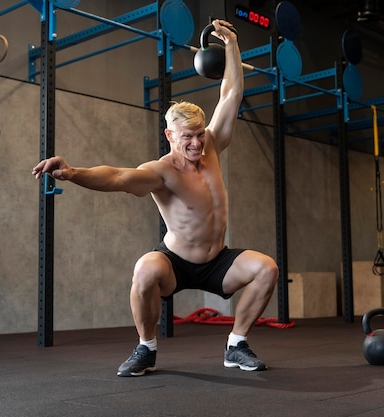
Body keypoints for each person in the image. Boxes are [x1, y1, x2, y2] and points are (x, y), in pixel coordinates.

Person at [32, 19, 278, 377]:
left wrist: (232, 46)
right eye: (186, 137)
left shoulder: (212, 146)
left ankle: (236, 345)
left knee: (266, 268)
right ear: (169, 135)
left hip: (217, 261)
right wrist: (74, 173)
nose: (195, 143)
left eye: (198, 134)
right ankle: (146, 348)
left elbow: (231, 94)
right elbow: (118, 176)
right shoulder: (161, 171)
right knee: (145, 270)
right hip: (175, 263)